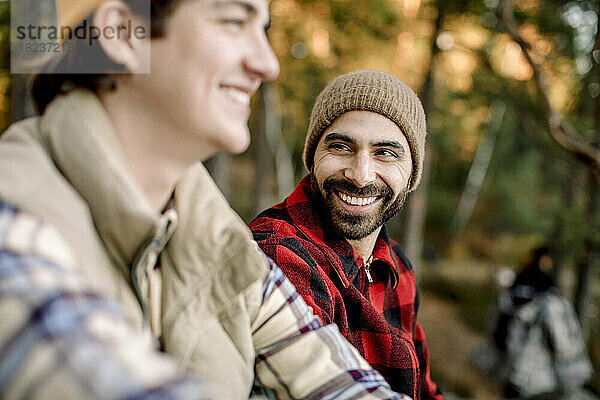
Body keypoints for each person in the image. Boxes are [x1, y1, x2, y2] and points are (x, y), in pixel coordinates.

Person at [0, 1, 412, 399]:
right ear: (123, 34)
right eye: (234, 21)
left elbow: (331, 375)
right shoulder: (15, 229)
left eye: (262, 28)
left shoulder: (217, 238)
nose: (268, 64)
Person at [250, 70, 442, 400]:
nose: (360, 174)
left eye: (386, 153)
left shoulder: (398, 264)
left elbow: (425, 389)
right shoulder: (278, 253)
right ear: (312, 158)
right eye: (341, 146)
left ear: (412, 174)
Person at [492, 246, 593, 399]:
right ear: (544, 258)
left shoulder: (523, 276)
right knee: (528, 382)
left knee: (517, 380)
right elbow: (553, 316)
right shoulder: (543, 283)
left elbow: (507, 305)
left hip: (517, 339)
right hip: (533, 343)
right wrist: (561, 347)